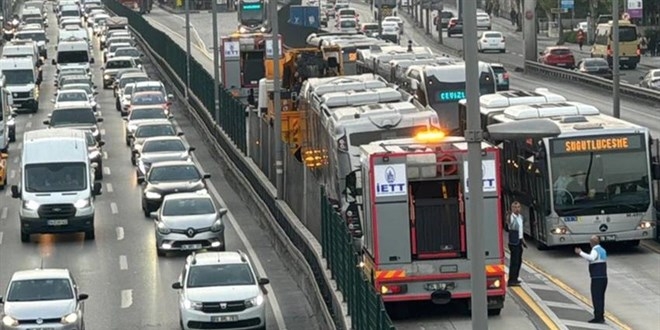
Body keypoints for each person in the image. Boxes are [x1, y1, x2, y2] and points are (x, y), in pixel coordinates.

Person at [575, 236, 608, 324]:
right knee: (601, 297)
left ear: (592, 242)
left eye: (590, 241)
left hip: (596, 278)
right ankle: (601, 315)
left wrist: (580, 252)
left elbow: (591, 258)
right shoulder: (603, 250)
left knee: (596, 297)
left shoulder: (595, 250)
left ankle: (598, 317)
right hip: (604, 277)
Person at [507, 201, 526, 287]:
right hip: (513, 242)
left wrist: (523, 240)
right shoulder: (510, 217)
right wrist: (508, 214)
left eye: (518, 207)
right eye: (515, 207)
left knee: (519, 261)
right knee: (514, 261)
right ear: (512, 208)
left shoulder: (521, 217)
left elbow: (521, 230)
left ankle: (515, 277)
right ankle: (511, 280)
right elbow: (507, 221)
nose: (517, 209)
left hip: (519, 241)